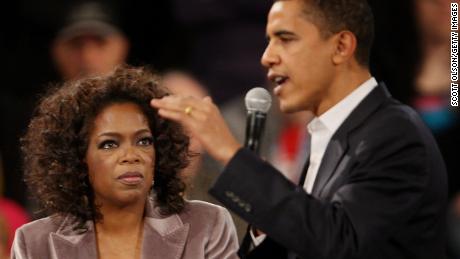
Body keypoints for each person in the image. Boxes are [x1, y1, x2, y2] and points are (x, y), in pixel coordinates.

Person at [151, 0, 448, 258]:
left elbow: (338, 244)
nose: (267, 56)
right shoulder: (332, 137)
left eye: (285, 38)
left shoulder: (395, 134)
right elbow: (308, 241)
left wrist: (232, 153)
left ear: (341, 46)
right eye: (268, 40)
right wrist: (262, 221)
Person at [11, 66, 238, 259]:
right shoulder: (34, 244)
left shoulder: (208, 224)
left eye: (144, 141)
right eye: (109, 144)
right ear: (78, 158)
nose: (131, 155)